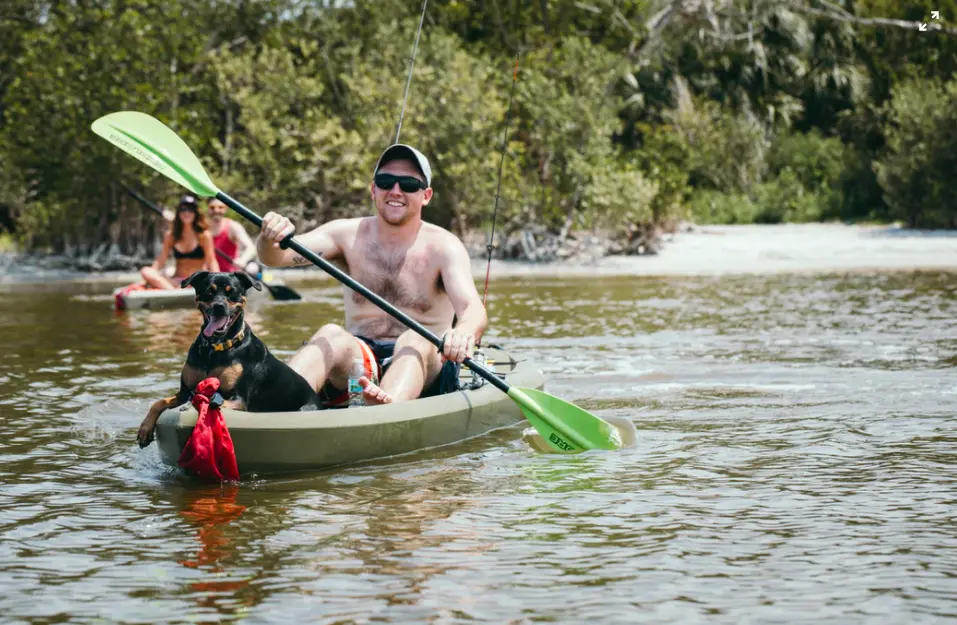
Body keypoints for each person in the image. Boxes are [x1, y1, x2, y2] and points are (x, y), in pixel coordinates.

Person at [256, 144, 486, 406]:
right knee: (330, 333)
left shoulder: (445, 246)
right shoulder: (345, 234)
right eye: (386, 181)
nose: (396, 190)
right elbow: (276, 256)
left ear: (426, 195)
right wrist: (269, 236)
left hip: (426, 365)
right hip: (362, 361)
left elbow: (472, 308)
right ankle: (275, 403)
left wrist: (464, 331)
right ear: (373, 189)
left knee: (413, 338)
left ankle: (387, 406)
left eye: (409, 184)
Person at [140, 194, 219, 289]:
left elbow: (211, 261)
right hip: (177, 281)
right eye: (183, 209)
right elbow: (161, 260)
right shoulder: (171, 236)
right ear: (178, 213)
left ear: (195, 213)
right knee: (146, 271)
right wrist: (150, 274)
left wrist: (218, 281)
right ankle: (174, 292)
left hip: (198, 281)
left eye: (190, 210)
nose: (187, 213)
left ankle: (174, 292)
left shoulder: (204, 235)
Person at [207, 197, 260, 275]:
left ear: (225, 209)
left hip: (230, 276)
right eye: (212, 207)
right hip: (210, 276)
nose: (216, 210)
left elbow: (251, 248)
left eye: (220, 207)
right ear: (208, 209)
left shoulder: (233, 226)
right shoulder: (203, 228)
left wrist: (242, 260)